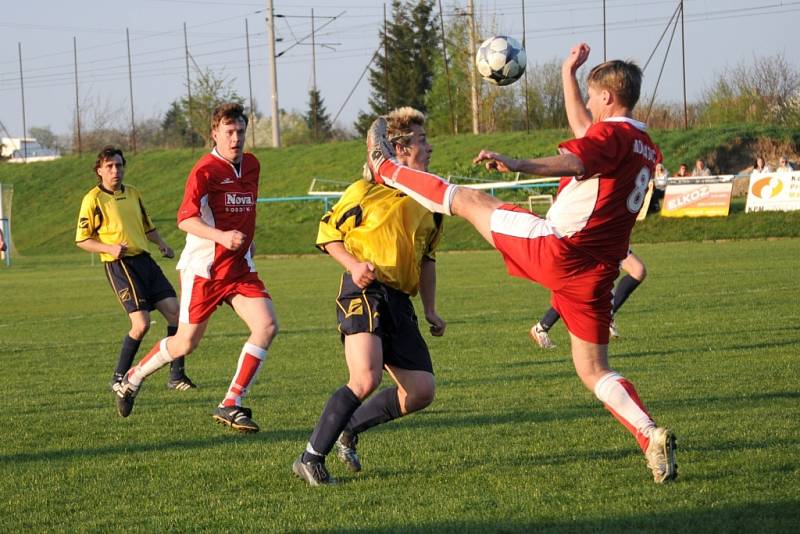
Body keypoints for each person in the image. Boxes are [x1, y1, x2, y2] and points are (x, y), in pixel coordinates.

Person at [363, 43, 677, 483]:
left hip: (560, 250)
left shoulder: (613, 137)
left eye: (591, 94)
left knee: (470, 200)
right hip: (596, 272)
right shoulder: (641, 142)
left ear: (607, 97)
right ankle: (649, 435)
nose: (587, 102)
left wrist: (516, 163)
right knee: (594, 370)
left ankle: (386, 169)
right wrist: (569, 73)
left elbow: (575, 157)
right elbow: (585, 133)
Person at [292, 107, 446, 486]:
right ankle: (310, 457)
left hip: (399, 302)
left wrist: (430, 308)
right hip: (365, 291)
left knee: (422, 391)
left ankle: (350, 428)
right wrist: (353, 263)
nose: (429, 148)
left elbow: (427, 259)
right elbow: (327, 233)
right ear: (398, 148)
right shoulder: (365, 191)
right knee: (364, 377)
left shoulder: (430, 203)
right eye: (422, 141)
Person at [114, 103, 279, 433]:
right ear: (214, 134)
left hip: (239, 269)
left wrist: (248, 241)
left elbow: (245, 209)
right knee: (185, 343)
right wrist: (221, 236)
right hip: (204, 270)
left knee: (267, 325)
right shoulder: (205, 170)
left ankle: (231, 402)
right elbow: (185, 219)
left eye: (241, 132)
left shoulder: (252, 166)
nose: (236, 138)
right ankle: (132, 378)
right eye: (229, 132)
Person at [75, 146, 195, 392]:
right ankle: (118, 377)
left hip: (145, 262)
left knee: (177, 315)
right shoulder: (93, 199)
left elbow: (146, 225)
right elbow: (82, 239)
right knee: (141, 325)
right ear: (99, 171)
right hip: (120, 265)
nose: (115, 170)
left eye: (119, 165)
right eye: (109, 166)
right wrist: (107, 247)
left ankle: (176, 376)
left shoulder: (133, 193)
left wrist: (161, 244)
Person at [531, 251, 647, 349]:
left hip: (613, 238)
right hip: (595, 239)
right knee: (581, 289)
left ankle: (606, 318)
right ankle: (541, 327)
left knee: (638, 270)